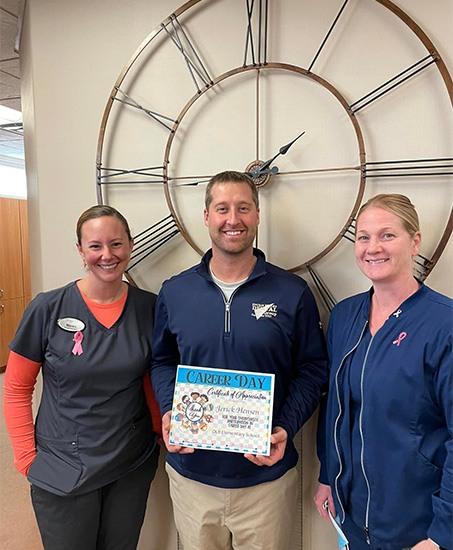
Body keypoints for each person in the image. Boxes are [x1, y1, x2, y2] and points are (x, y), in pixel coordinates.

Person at [151, 170, 328, 549]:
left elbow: (314, 368)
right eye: (222, 208)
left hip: (266, 480)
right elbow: (162, 360)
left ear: (258, 215)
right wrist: (169, 410)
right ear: (207, 217)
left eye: (243, 208)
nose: (233, 219)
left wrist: (284, 426)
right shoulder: (175, 291)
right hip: (192, 476)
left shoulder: (292, 292)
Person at [3, 205, 160, 550]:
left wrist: (162, 434)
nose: (107, 255)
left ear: (130, 245)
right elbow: (16, 388)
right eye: (95, 246)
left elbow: (150, 379)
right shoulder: (47, 309)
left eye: (116, 244)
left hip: (128, 461)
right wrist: (26, 458)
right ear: (80, 250)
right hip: (61, 463)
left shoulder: (148, 308)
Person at [314, 194, 452, 550]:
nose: (372, 247)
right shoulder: (345, 316)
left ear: (415, 241)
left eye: (387, 235)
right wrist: (328, 475)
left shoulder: (443, 324)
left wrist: (442, 534)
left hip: (418, 528)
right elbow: (335, 407)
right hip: (351, 519)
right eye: (363, 237)